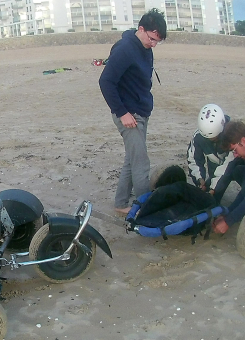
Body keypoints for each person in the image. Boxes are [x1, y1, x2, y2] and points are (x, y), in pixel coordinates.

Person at [99, 8, 167, 215]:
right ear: (141, 29)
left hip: (141, 112)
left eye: (158, 41)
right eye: (152, 38)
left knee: (132, 159)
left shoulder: (146, 49)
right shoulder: (125, 49)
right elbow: (105, 81)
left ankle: (120, 204)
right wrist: (122, 113)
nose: (154, 44)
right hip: (129, 116)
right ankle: (147, 209)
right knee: (141, 163)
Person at [187, 104, 242, 204]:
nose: (211, 141)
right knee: (208, 199)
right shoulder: (199, 136)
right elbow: (193, 159)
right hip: (216, 168)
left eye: (215, 138)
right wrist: (200, 179)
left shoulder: (233, 135)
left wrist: (214, 188)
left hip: (237, 166)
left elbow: (228, 166)